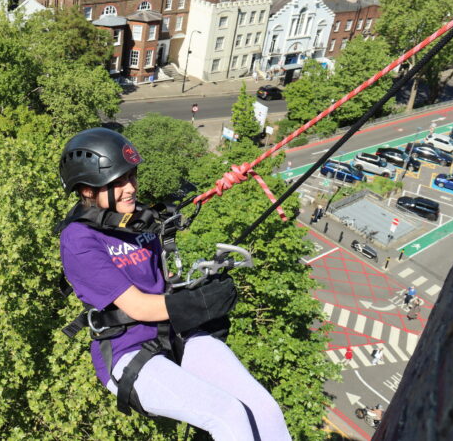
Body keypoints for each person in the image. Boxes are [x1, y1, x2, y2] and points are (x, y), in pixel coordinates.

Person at [58, 128, 291, 440]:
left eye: (132, 176)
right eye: (118, 182)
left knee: (264, 409)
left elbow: (163, 280)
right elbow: (138, 305)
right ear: (87, 189)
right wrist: (199, 303)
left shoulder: (137, 219)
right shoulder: (79, 240)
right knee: (229, 415)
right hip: (128, 351)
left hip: (175, 335)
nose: (131, 188)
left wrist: (201, 285)